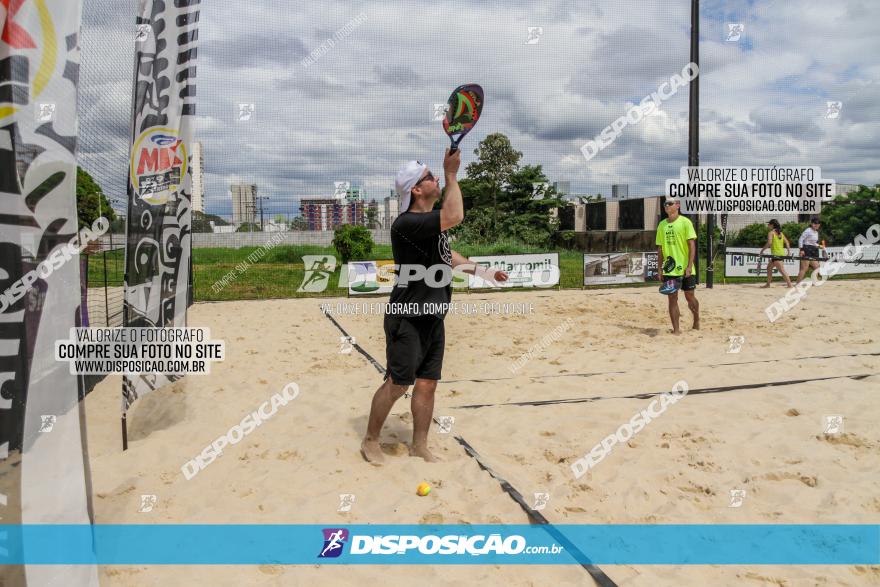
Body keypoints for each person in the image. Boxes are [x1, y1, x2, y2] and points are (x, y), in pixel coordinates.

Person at [361, 149, 508, 464]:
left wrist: (483, 273)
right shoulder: (407, 224)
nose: (436, 178)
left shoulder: (430, 227)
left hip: (433, 317)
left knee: (427, 384)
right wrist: (453, 174)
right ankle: (371, 440)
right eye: (430, 176)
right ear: (416, 189)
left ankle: (420, 445)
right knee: (398, 383)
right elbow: (455, 214)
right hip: (407, 318)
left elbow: (448, 255)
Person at [655, 200, 699, 334]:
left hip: (686, 267)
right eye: (665, 204)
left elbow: (692, 245)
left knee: (689, 296)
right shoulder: (662, 225)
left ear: (678, 205)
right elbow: (660, 249)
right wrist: (660, 269)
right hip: (669, 268)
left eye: (670, 203)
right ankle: (676, 330)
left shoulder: (685, 222)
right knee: (672, 298)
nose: (666, 206)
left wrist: (689, 266)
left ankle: (696, 319)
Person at [759, 219, 793, 288]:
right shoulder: (780, 233)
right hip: (778, 254)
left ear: (772, 225)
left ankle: (790, 285)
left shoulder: (771, 233)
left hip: (776, 255)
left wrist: (762, 250)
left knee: (782, 271)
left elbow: (769, 243)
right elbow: (787, 242)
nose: (768, 225)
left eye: (769, 224)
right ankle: (768, 284)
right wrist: (789, 252)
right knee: (769, 268)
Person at [795, 217, 823, 284]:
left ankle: (814, 282)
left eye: (818, 224)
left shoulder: (816, 232)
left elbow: (813, 243)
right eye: (815, 223)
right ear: (812, 224)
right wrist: (801, 249)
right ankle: (797, 284)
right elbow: (800, 239)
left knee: (817, 267)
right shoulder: (808, 230)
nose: (816, 225)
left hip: (813, 250)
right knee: (804, 268)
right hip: (806, 249)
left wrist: (819, 246)